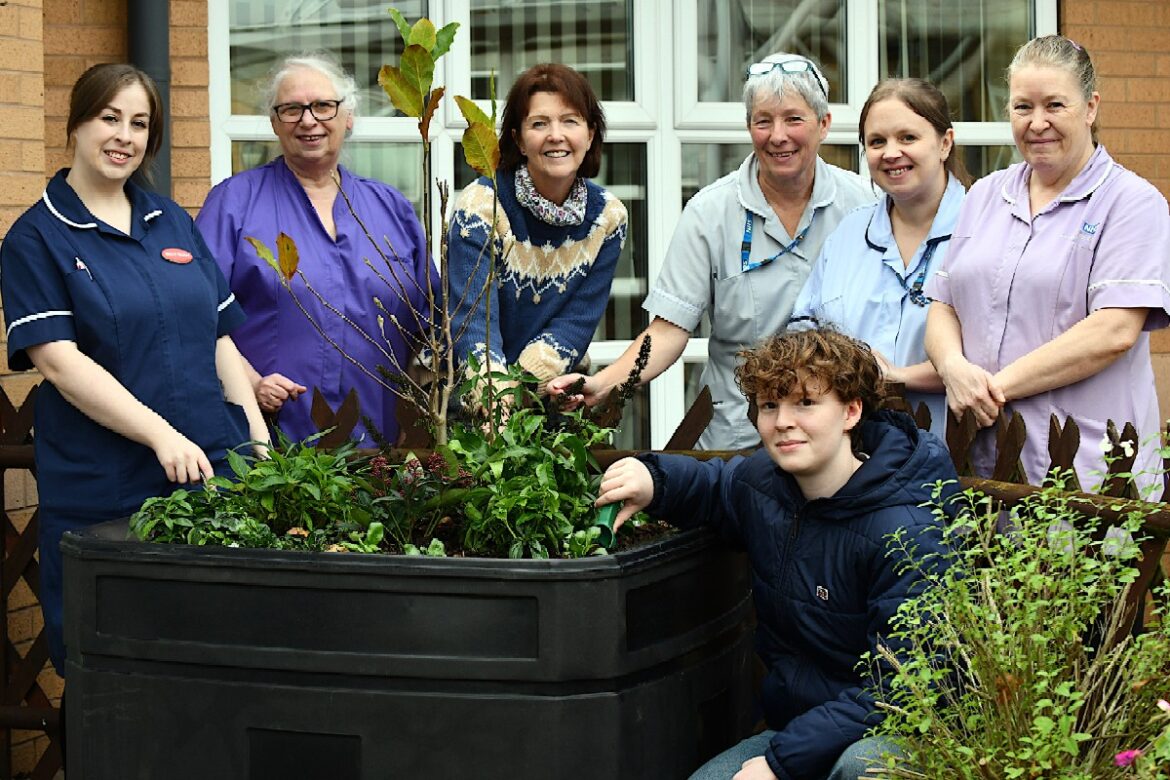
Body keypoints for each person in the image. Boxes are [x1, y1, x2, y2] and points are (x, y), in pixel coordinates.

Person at [0, 63, 268, 673]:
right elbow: (61, 364)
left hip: (213, 475)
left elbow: (217, 335)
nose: (124, 135)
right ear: (76, 123)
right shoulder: (34, 239)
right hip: (109, 489)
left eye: (140, 124)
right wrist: (160, 435)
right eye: (109, 117)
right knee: (119, 669)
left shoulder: (170, 219)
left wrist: (253, 431)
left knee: (219, 656)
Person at [595, 328, 955, 779]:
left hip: (898, 733)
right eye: (770, 405)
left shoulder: (905, 530)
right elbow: (715, 487)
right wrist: (654, 479)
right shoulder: (767, 484)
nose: (783, 421)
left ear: (851, 411)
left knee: (863, 769)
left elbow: (902, 689)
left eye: (805, 403)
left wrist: (779, 765)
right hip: (801, 728)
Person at [549, 53, 873, 450]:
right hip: (739, 437)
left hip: (840, 441)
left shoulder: (864, 204)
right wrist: (603, 382)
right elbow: (668, 330)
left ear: (824, 124)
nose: (778, 135)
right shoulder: (710, 211)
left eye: (793, 119)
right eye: (763, 120)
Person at [924, 35, 1170, 489]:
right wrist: (954, 370)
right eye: (1022, 107)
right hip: (981, 461)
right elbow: (943, 304)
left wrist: (992, 389)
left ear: (1091, 107)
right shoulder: (983, 196)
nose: (1037, 123)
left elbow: (1114, 330)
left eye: (1055, 105)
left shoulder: (1132, 203)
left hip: (1088, 473)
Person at [197, 52, 432, 444]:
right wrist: (250, 382)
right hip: (269, 443)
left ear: (348, 116)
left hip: (381, 447)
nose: (308, 120)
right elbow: (196, 314)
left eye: (323, 106)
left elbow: (430, 325)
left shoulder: (391, 209)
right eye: (291, 109)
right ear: (275, 122)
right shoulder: (234, 203)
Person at [792, 78, 968, 437]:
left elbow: (1002, 352)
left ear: (944, 143)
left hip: (958, 461)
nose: (891, 153)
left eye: (908, 138)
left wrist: (899, 378)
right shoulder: (846, 236)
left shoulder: (986, 228)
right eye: (877, 142)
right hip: (852, 457)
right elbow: (803, 335)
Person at [446, 63, 628, 402]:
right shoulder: (481, 206)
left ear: (590, 134)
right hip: (466, 395)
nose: (555, 135)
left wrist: (518, 393)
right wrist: (495, 400)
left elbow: (576, 323)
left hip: (549, 393)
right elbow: (471, 323)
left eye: (570, 121)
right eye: (539, 123)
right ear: (518, 139)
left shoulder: (608, 217)